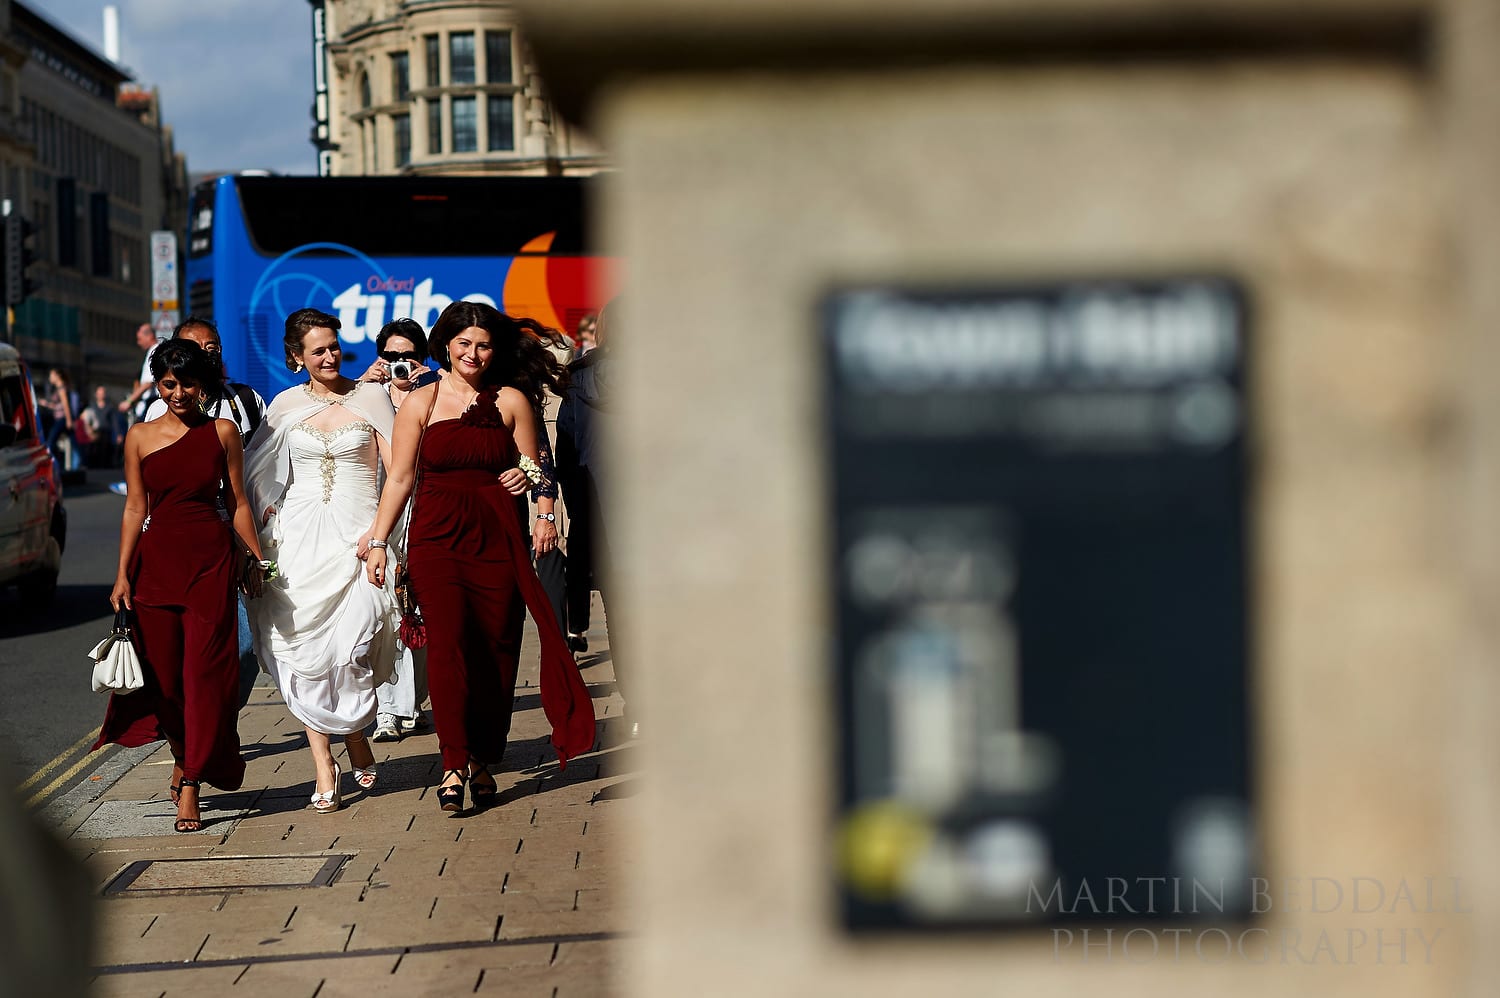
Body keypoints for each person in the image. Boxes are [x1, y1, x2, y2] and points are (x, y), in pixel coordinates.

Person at [362, 300, 595, 814]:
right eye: (464, 343)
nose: (473, 353)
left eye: (483, 345)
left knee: (496, 650)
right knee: (448, 649)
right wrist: (378, 541)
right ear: (446, 345)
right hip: (436, 540)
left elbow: (536, 467)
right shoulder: (420, 402)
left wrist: (531, 492)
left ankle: (482, 756)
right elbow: (400, 478)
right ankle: (452, 761)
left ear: (494, 351)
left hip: (497, 540)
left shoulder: (511, 400)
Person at [97, 340, 267, 833]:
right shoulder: (138, 437)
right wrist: (122, 573)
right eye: (169, 383)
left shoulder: (222, 432)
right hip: (154, 570)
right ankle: (182, 751)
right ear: (157, 384)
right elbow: (135, 506)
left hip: (210, 565)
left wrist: (254, 559)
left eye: (188, 383)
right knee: (166, 682)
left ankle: (191, 780)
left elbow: (237, 502)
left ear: (203, 386)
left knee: (205, 676)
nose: (178, 393)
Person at [244, 308, 398, 814]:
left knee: (353, 648)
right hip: (300, 540)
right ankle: (324, 764)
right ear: (297, 357)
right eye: (318, 350)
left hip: (359, 537)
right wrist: (268, 511)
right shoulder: (285, 405)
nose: (330, 356)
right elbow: (255, 469)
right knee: (305, 655)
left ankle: (354, 733)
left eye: (334, 346)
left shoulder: (372, 398)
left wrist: (381, 535)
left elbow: (399, 472)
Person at [143, 316, 270, 709]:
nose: (204, 355)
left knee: (245, 647)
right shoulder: (156, 413)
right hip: (178, 544)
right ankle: (197, 726)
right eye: (192, 349)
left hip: (233, 538)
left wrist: (255, 553)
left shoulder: (245, 402)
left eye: (211, 348)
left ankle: (217, 721)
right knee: (182, 649)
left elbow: (262, 475)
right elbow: (142, 494)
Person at [557, 298, 629, 731]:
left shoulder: (576, 382)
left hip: (601, 521)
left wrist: (581, 516)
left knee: (621, 615)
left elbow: (566, 458)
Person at [366, 317, 437, 742]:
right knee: (384, 610)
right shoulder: (367, 395)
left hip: (425, 509)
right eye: (390, 356)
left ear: (422, 358)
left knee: (418, 608)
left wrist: (429, 383)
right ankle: (388, 710)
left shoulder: (435, 393)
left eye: (407, 356)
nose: (399, 364)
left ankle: (413, 700)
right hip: (377, 513)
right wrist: (362, 385)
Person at [111, 324, 162, 495]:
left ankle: (135, 484)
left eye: (140, 338)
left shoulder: (154, 351)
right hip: (150, 402)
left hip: (151, 402)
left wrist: (129, 401)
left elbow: (148, 383)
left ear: (149, 336)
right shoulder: (155, 350)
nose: (138, 342)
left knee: (136, 443)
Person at [42, 369, 81, 469]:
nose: (50, 378)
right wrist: (46, 404)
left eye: (51, 375)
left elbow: (65, 405)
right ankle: (77, 464)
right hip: (61, 418)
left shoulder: (61, 388)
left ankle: (52, 464)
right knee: (74, 443)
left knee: (51, 441)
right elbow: (57, 405)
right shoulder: (59, 388)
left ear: (57, 376)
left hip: (62, 419)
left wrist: (68, 420)